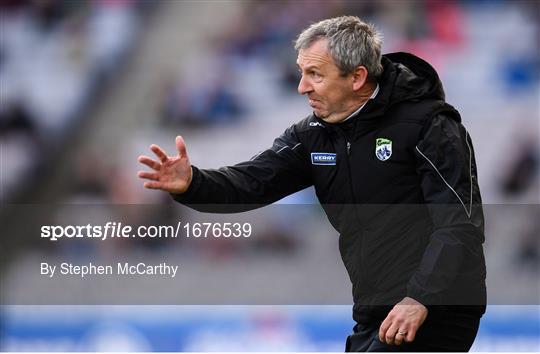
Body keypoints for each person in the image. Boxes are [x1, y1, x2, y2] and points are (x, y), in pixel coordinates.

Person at [138, 16, 486, 352]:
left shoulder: (429, 126)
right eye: (303, 72)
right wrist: (191, 183)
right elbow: (250, 183)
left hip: (438, 307)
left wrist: (420, 298)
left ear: (357, 77)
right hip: (376, 313)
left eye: (315, 74)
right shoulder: (313, 135)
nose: (302, 86)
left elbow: (459, 224)